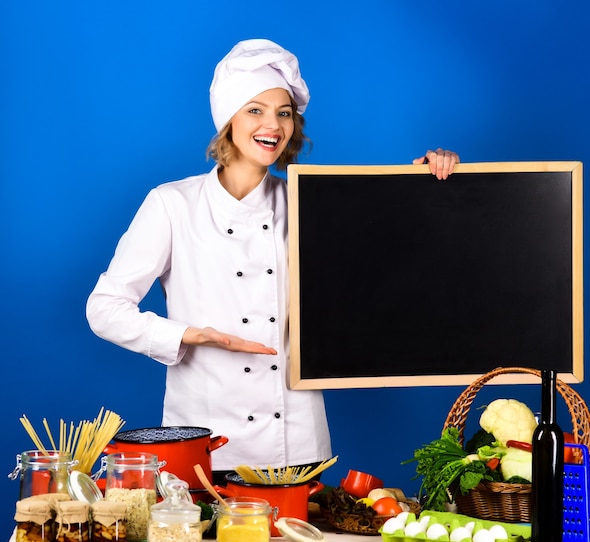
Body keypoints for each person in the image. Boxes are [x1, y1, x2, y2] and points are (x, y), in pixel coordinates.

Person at [86, 39, 459, 479]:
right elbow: (104, 309)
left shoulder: (306, 202)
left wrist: (424, 182)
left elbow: (385, 259)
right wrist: (191, 335)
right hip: (204, 444)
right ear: (228, 119)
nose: (273, 125)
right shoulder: (172, 204)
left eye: (284, 112)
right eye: (255, 110)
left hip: (297, 445)